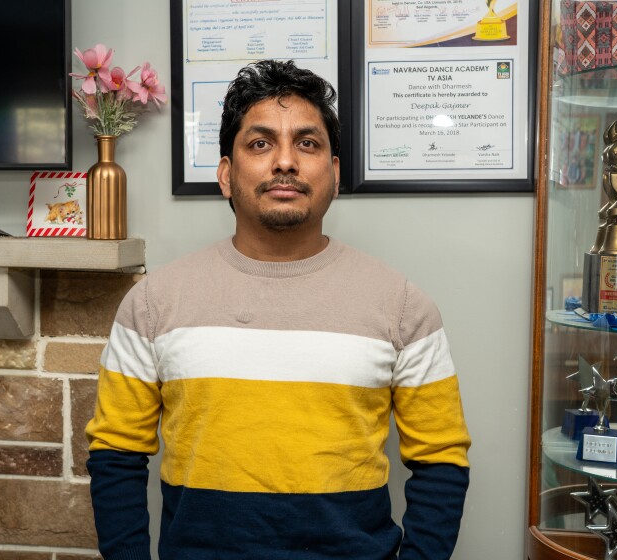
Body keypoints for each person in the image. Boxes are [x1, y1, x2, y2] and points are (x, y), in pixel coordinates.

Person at [86, 59, 471, 560]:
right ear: (226, 174)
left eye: (307, 143)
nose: (285, 161)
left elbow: (441, 460)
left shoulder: (402, 306)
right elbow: (116, 455)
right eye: (260, 143)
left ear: (333, 173)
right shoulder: (154, 303)